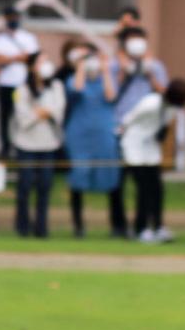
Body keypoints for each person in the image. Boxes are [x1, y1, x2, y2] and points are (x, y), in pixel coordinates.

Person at [65, 45, 126, 239]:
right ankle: (78, 226)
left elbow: (111, 96)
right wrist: (81, 67)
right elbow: (77, 90)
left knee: (111, 177)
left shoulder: (107, 80)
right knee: (78, 177)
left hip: (104, 135)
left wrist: (106, 70)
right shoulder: (73, 79)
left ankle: (117, 226)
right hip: (80, 135)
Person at [11, 55, 67, 239]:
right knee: (25, 186)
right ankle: (22, 227)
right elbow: (22, 117)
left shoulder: (56, 86)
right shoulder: (22, 89)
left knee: (45, 186)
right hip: (26, 144)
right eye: (40, 62)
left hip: (48, 144)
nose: (45, 66)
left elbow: (59, 110)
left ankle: (41, 228)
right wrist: (41, 113)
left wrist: (41, 112)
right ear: (32, 67)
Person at [118, 72, 178, 244]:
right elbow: (128, 119)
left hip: (151, 149)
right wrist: (123, 134)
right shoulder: (150, 103)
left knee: (157, 188)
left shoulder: (171, 108)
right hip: (134, 147)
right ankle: (140, 228)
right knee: (143, 189)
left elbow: (164, 128)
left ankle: (158, 226)